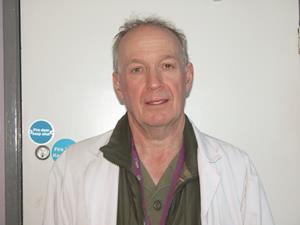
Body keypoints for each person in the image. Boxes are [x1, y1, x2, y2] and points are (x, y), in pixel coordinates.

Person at [43, 16, 275, 225]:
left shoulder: (238, 170)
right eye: (137, 69)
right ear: (118, 85)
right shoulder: (72, 169)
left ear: (187, 77)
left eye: (167, 66)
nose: (154, 82)